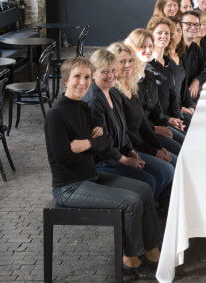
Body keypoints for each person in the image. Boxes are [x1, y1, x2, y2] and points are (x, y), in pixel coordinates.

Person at [44, 56, 161, 279]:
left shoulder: (83, 108)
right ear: (65, 80)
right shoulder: (56, 116)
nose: (82, 82)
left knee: (144, 189)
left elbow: (105, 141)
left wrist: (87, 144)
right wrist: (92, 143)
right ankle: (130, 259)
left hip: (91, 175)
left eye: (87, 77)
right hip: (69, 187)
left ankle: (152, 250)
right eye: (77, 76)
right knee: (131, 201)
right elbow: (63, 158)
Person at [82, 50, 171, 200]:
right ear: (93, 74)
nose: (111, 75)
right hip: (103, 162)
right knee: (149, 181)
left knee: (165, 171)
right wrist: (125, 160)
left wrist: (130, 150)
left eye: (113, 70)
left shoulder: (114, 94)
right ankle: (136, 215)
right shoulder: (94, 102)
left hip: (120, 152)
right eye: (104, 71)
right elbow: (102, 145)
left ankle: (150, 209)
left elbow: (122, 131)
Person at [108, 42, 178, 170]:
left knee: (174, 161)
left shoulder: (132, 85)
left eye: (130, 61)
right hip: (129, 147)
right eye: (122, 62)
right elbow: (126, 133)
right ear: (112, 64)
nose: (128, 65)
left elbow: (142, 122)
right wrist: (153, 152)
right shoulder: (112, 92)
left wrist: (158, 147)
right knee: (167, 170)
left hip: (142, 140)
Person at [124, 29, 184, 153]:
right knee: (177, 149)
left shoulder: (149, 75)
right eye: (142, 46)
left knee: (183, 141)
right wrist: (155, 128)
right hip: (140, 133)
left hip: (153, 125)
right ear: (132, 48)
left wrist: (168, 120)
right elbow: (133, 119)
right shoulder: (129, 80)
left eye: (150, 46)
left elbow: (156, 108)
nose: (148, 50)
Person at [181, 10, 206, 103]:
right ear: (180, 26)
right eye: (189, 24)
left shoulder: (195, 48)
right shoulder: (175, 50)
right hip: (178, 105)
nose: (193, 27)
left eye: (196, 24)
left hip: (190, 99)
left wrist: (197, 80)